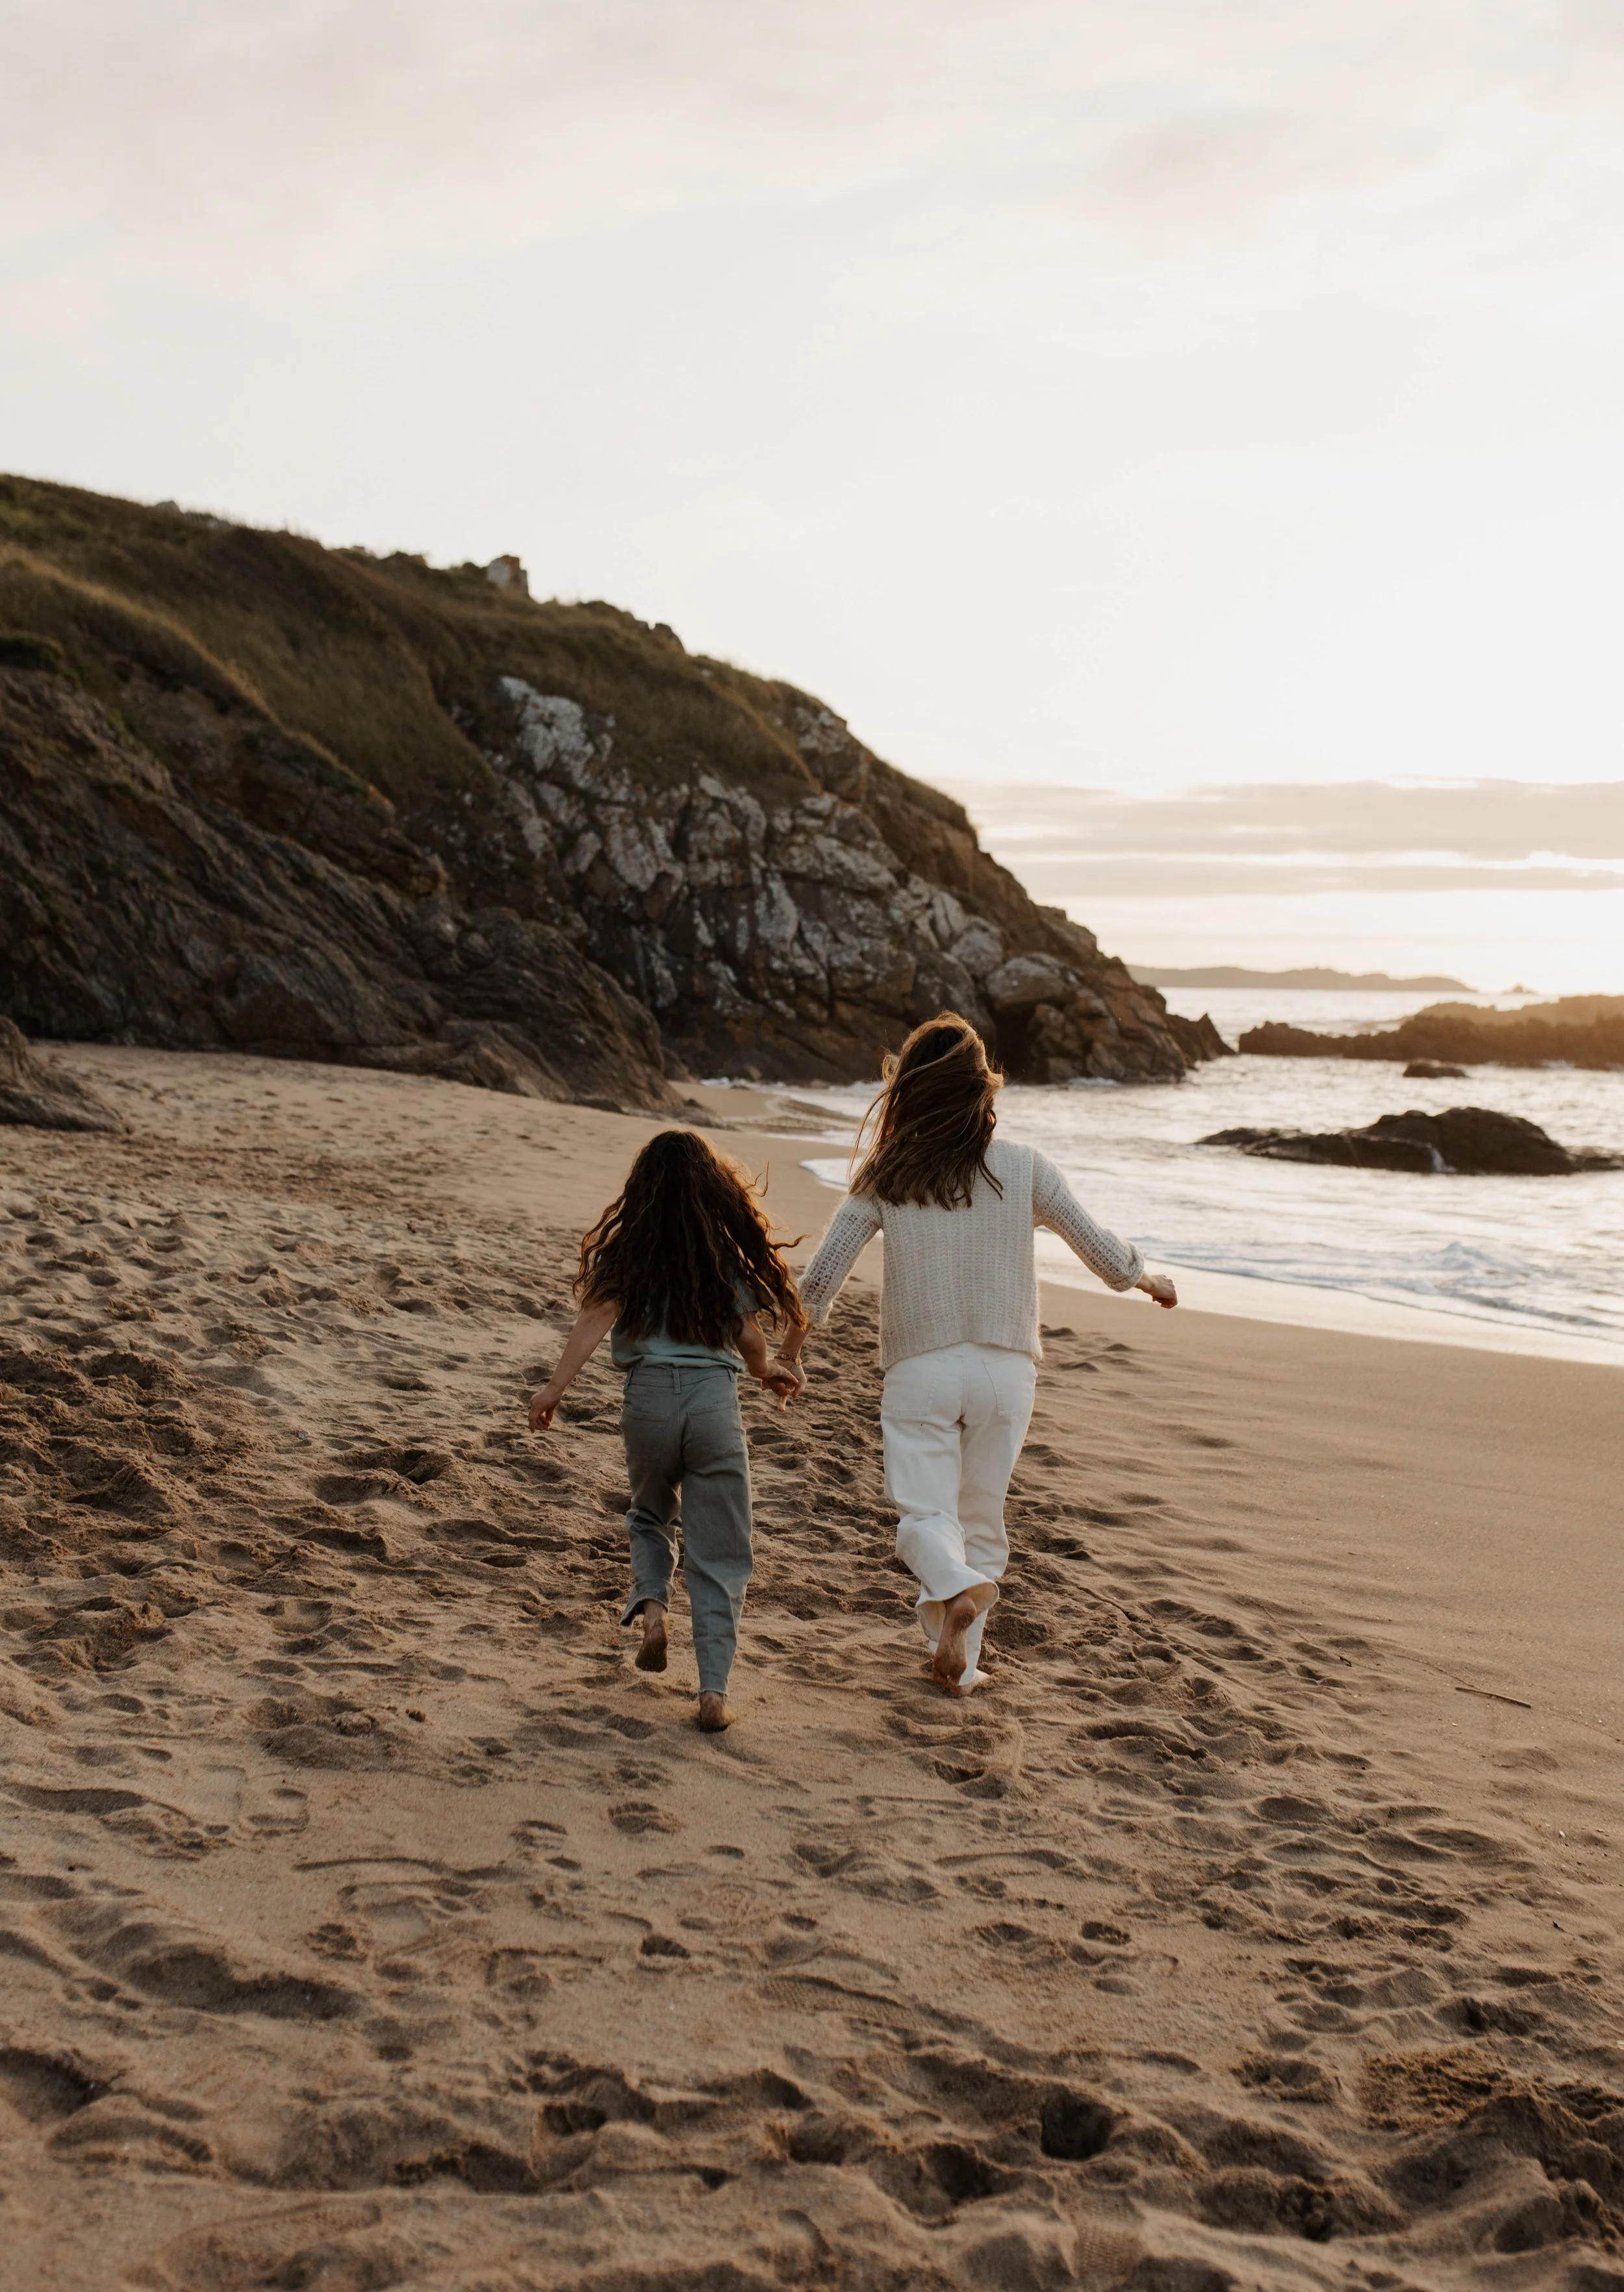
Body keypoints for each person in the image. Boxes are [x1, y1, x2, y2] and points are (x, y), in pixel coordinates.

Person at [770, 1014, 1176, 1698]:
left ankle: (953, 1597)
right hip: (1005, 1371)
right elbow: (1101, 1252)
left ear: (911, 1090)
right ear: (981, 1089)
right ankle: (962, 1669)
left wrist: (790, 1352)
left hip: (920, 1369)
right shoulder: (1023, 1167)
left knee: (925, 1518)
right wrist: (1147, 1279)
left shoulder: (888, 1171)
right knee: (981, 1520)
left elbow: (822, 1278)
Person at [527, 1130, 806, 1731]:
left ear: (642, 1192)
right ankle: (712, 1692)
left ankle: (654, 1612)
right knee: (721, 1553)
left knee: (651, 1515)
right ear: (713, 1190)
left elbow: (598, 1317)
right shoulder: (721, 1256)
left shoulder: (630, 1255)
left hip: (647, 1402)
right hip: (713, 1408)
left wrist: (554, 1389)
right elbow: (750, 1338)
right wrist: (768, 1372)